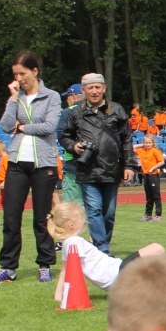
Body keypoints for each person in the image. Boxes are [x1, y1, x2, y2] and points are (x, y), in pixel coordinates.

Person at [0, 51, 62, 285]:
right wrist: (13, 99)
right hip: (17, 163)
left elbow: (49, 127)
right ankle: (7, 267)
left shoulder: (52, 96)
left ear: (35, 71)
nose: (19, 78)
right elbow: (6, 125)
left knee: (41, 217)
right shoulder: (16, 98)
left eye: (23, 73)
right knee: (10, 217)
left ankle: (45, 264)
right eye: (15, 75)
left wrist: (22, 127)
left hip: (44, 164)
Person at [59, 73, 135, 256]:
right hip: (87, 170)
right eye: (90, 87)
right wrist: (73, 146)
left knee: (108, 213)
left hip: (112, 169)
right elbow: (64, 136)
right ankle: (102, 249)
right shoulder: (75, 113)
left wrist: (130, 166)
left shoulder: (117, 110)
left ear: (104, 88)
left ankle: (103, 243)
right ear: (83, 90)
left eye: (97, 87)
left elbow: (127, 139)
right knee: (93, 210)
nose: (94, 91)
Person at [48, 202, 164, 300]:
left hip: (115, 278)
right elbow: (75, 271)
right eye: (81, 218)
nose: (84, 220)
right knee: (157, 248)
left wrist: (58, 296)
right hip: (117, 274)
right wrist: (79, 295)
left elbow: (64, 271)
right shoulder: (75, 242)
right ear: (71, 224)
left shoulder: (67, 243)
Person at [56, 84, 85, 207]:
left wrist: (74, 146)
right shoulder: (99, 110)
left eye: (67, 97)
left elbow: (61, 135)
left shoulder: (67, 112)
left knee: (72, 208)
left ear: (73, 96)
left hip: (73, 165)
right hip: (96, 167)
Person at [135, 135, 165, 222]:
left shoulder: (154, 151)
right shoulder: (141, 151)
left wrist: (153, 168)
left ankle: (158, 215)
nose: (147, 144)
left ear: (153, 143)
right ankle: (148, 214)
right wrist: (142, 145)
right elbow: (132, 147)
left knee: (156, 196)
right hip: (146, 175)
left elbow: (162, 161)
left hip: (153, 175)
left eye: (149, 143)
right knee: (149, 196)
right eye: (146, 143)